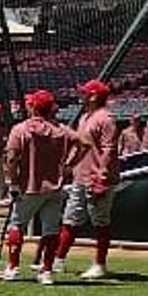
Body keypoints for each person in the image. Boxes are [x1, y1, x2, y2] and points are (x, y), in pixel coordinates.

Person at [1, 90, 85, 284]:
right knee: (51, 230)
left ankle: (13, 268)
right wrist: (70, 166)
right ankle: (46, 271)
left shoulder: (20, 129)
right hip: (55, 188)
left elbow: (11, 159)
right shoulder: (61, 130)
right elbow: (83, 143)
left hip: (29, 188)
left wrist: (13, 183)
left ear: (33, 107)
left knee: (17, 225)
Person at [51, 79, 121, 280]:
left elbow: (109, 149)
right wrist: (69, 166)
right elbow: (82, 147)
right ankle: (58, 260)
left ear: (94, 96)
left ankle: (100, 264)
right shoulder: (85, 117)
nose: (80, 95)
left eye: (84, 93)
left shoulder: (106, 118)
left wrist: (103, 176)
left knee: (100, 221)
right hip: (81, 177)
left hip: (98, 179)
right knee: (70, 218)